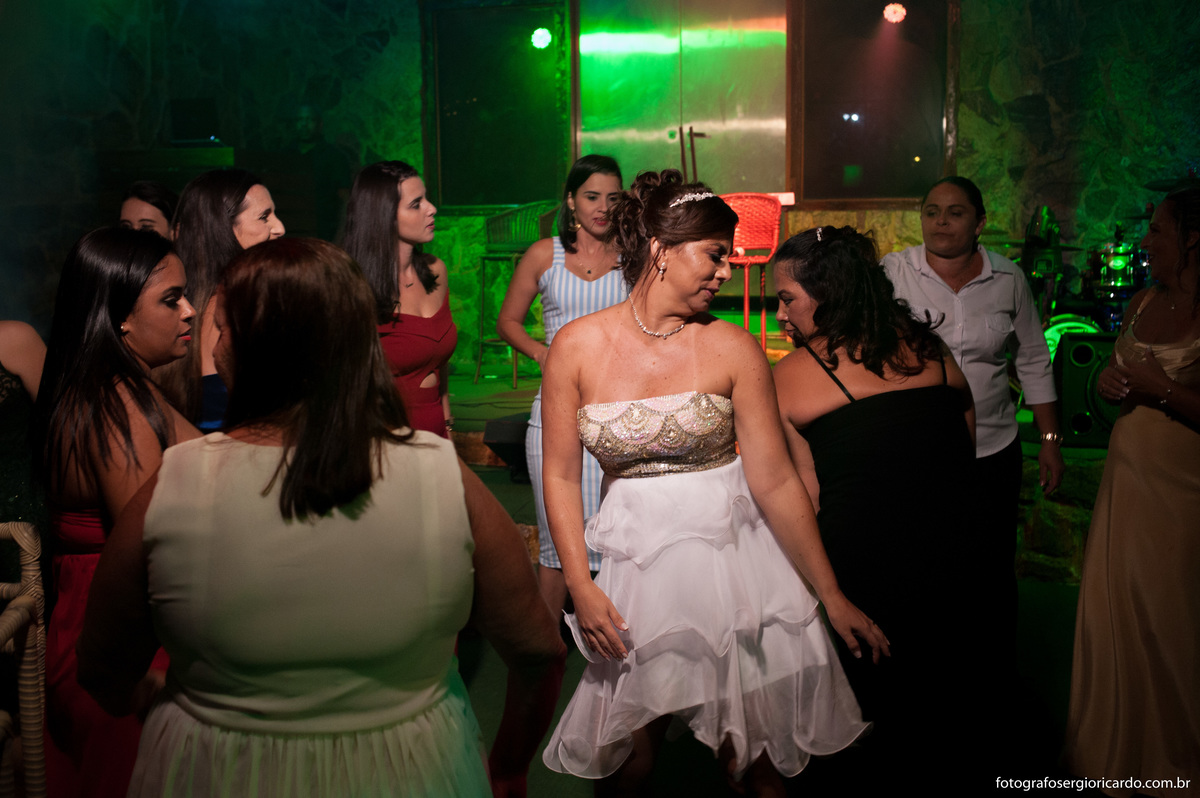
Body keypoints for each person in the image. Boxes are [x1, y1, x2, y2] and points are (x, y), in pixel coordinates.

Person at [75, 238, 566, 797]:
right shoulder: (440, 478)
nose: (212, 341)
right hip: (410, 772)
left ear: (259, 346)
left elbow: (102, 671)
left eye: (223, 327)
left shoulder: (176, 483)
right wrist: (507, 765)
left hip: (222, 773)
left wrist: (169, 700)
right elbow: (536, 651)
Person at [539, 170, 884, 795]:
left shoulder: (733, 347)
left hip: (737, 563)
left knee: (751, 760)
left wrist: (829, 593)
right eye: (716, 255)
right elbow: (560, 474)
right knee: (629, 758)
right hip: (638, 568)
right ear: (661, 250)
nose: (727, 271)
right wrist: (578, 583)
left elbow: (776, 481)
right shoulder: (576, 347)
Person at [772, 226, 979, 786]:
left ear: (829, 292)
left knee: (865, 723)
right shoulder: (921, 344)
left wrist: (825, 597)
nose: (779, 316)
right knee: (941, 711)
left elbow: (805, 495)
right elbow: (963, 415)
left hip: (863, 567)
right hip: (952, 557)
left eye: (787, 299)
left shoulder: (789, 378)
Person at [33, 227, 200, 797]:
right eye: (171, 299)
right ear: (119, 317)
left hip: (127, 621)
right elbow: (150, 542)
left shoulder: (129, 387)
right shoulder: (114, 402)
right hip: (118, 633)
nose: (192, 310)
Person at [881, 175, 1064, 678]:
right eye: (932, 210)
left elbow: (1032, 359)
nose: (941, 221)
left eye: (955, 212)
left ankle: (991, 674)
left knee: (990, 569)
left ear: (979, 222)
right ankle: (924, 669)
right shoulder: (893, 273)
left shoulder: (1008, 280)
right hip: (918, 453)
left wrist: (1049, 441)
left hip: (992, 448)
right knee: (924, 563)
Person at [1064, 187, 1200, 796]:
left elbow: (1168, 388)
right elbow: (1108, 388)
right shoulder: (1143, 300)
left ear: (1194, 240)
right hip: (1129, 490)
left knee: (1174, 621)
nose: (1147, 241)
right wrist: (1111, 382)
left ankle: (1178, 760)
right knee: (1120, 615)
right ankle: (1115, 757)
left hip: (1186, 495)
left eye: (1160, 231)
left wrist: (1160, 387)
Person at [496, 154, 627, 617]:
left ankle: (616, 637)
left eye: (613, 198)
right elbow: (508, 321)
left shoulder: (632, 257)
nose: (602, 207)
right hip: (554, 413)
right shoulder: (544, 254)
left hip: (616, 413)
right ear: (571, 200)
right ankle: (545, 653)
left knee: (619, 538)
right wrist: (542, 353)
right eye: (592, 196)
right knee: (555, 544)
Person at [157, 168, 285, 430]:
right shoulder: (250, 308)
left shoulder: (172, 308)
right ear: (223, 230)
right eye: (264, 217)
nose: (279, 228)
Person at [342, 161, 457, 438]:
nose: (432, 208)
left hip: (435, 428)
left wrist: (447, 423)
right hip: (381, 434)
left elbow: (438, 367)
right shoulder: (353, 285)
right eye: (416, 204)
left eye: (426, 198)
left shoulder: (435, 271)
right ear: (383, 216)